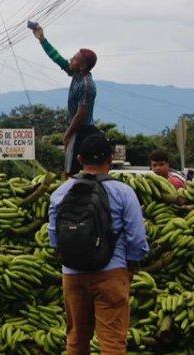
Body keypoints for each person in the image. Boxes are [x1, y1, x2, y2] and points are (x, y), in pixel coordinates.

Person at [48, 133, 149, 355]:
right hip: (111, 273)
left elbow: (53, 236)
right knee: (112, 342)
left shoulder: (61, 192)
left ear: (80, 159)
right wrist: (129, 268)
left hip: (72, 275)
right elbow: (137, 238)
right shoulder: (123, 192)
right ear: (110, 159)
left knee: (76, 340)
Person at [30, 24, 97, 175]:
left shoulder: (87, 85)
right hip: (75, 130)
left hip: (82, 131)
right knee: (69, 168)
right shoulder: (77, 75)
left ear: (83, 66)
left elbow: (81, 115)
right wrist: (42, 39)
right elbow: (58, 59)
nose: (71, 60)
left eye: (74, 59)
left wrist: (68, 133)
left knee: (73, 170)